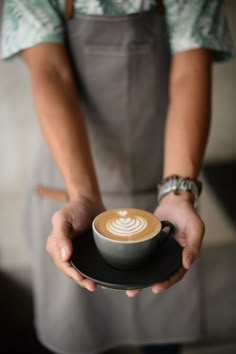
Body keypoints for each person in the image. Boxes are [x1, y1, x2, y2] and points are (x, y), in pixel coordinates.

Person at [0, 1, 233, 354]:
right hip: (67, 191)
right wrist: (84, 196)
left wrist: (178, 193)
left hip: (163, 184)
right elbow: (51, 72)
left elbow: (190, 71)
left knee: (164, 337)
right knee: (76, 337)